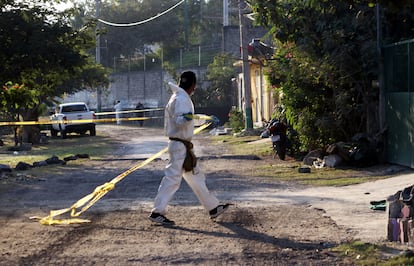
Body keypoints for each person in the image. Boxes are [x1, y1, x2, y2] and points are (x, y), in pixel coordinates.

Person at [148, 71, 230, 225]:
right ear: (193, 85)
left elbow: (187, 119)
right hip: (180, 146)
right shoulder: (181, 99)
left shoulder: (178, 97)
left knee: (196, 177)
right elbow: (181, 120)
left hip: (182, 145)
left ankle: (213, 207)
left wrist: (202, 120)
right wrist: (192, 118)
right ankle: (157, 211)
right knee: (172, 179)